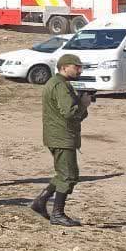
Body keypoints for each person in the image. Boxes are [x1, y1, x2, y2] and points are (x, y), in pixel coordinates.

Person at [31, 54, 92, 227]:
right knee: (69, 176)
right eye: (76, 66)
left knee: (63, 174)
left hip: (60, 136)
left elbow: (72, 113)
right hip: (62, 137)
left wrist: (81, 103)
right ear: (64, 67)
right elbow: (70, 113)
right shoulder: (59, 85)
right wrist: (83, 104)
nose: (79, 70)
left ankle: (41, 201)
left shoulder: (61, 84)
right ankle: (57, 213)